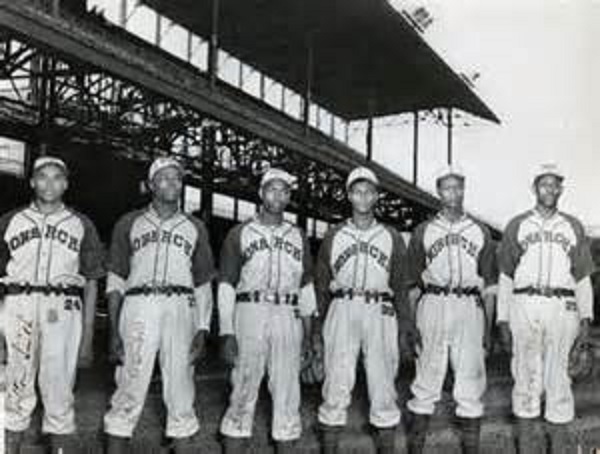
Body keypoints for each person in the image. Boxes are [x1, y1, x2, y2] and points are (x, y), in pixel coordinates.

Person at [103, 157, 215, 454]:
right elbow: (115, 280)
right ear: (150, 184)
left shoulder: (195, 227)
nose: (171, 183)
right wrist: (112, 331)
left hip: (181, 306)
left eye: (176, 178)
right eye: (163, 178)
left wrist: (202, 328)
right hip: (139, 303)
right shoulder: (129, 222)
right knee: (129, 387)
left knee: (180, 391)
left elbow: (203, 283)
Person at [0, 156, 104, 454]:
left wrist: (87, 337)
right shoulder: (10, 221)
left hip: (63, 307)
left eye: (57, 177)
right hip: (19, 303)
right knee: (15, 390)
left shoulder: (81, 224)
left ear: (66, 184)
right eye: (42, 176)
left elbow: (93, 279)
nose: (49, 183)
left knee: (59, 393)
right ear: (32, 181)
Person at [314, 166, 413, 454]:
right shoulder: (334, 234)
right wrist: (318, 328)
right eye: (357, 191)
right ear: (349, 195)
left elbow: (400, 285)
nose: (363, 196)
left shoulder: (391, 236)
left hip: (379, 308)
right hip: (342, 306)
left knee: (383, 387)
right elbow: (321, 284)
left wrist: (405, 325)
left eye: (369, 191)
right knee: (335, 383)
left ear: (376, 196)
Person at [497, 163, 594, 454]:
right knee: (525, 380)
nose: (549, 189)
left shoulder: (573, 225)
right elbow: (505, 276)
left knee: (559, 380)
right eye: (544, 184)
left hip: (563, 306)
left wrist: (586, 320)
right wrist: (502, 319)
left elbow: (583, 277)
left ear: (561, 189)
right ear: (534, 188)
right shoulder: (517, 224)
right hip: (524, 303)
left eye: (555, 184)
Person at [218, 168, 317, 454]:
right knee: (242, 391)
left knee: (288, 394)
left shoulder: (298, 235)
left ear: (289, 196)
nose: (278, 195)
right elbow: (226, 283)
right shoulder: (240, 232)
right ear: (261, 193)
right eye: (272, 188)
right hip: (250, 309)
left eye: (284, 190)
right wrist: (226, 331)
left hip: (288, 312)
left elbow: (306, 286)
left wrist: (310, 336)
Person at [404, 165, 497, 454]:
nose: (452, 193)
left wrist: (488, 328)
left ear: (464, 190)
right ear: (439, 191)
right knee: (425, 380)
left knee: (470, 383)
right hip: (432, 302)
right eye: (446, 187)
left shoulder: (479, 230)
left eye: (457, 187)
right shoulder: (424, 231)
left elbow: (490, 287)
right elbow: (411, 284)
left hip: (469, 305)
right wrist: (410, 325)